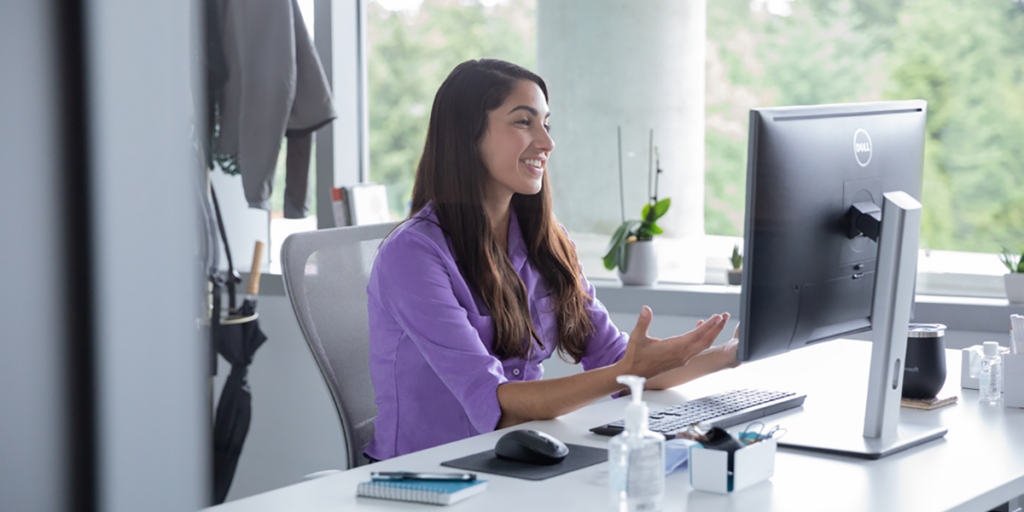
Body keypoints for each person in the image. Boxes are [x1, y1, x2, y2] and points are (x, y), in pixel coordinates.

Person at [364, 58, 739, 462]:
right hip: (428, 476)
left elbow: (620, 364)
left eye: (547, 123)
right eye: (524, 122)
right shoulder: (413, 255)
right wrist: (629, 370)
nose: (547, 142)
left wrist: (733, 352)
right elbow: (498, 405)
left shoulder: (544, 243)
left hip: (514, 460)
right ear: (467, 136)